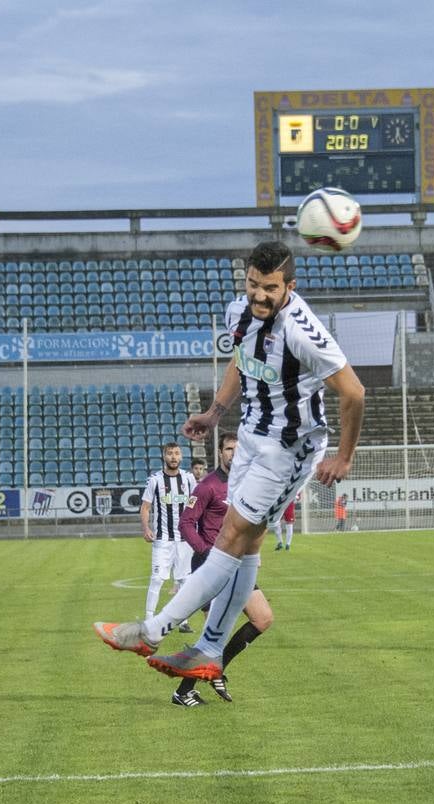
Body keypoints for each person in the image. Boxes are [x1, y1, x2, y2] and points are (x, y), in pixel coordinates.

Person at [94, 240, 365, 682]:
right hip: (250, 437)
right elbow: (240, 362)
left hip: (289, 449)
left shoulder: (302, 331)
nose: (260, 296)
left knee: (231, 535)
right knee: (248, 545)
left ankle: (152, 630)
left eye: (270, 289)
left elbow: (354, 392)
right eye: (253, 284)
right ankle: (211, 649)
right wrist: (215, 412)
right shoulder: (238, 311)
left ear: (289, 287)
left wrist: (344, 457)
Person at [171, 432, 273, 708]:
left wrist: (254, 551)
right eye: (229, 449)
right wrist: (207, 553)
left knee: (262, 618)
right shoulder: (208, 486)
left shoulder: (248, 484)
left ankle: (217, 670)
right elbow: (186, 524)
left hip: (238, 563)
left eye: (238, 449)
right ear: (220, 452)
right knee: (216, 631)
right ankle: (183, 692)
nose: (234, 453)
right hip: (213, 564)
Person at [139, 441, 197, 623]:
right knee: (157, 579)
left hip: (185, 539)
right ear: (164, 456)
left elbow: (197, 503)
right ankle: (149, 618)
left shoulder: (188, 479)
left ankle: (184, 620)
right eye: (170, 453)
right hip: (162, 540)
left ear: (181, 456)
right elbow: (145, 507)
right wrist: (146, 528)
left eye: (177, 453)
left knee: (185, 581)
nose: (174, 457)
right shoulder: (155, 480)